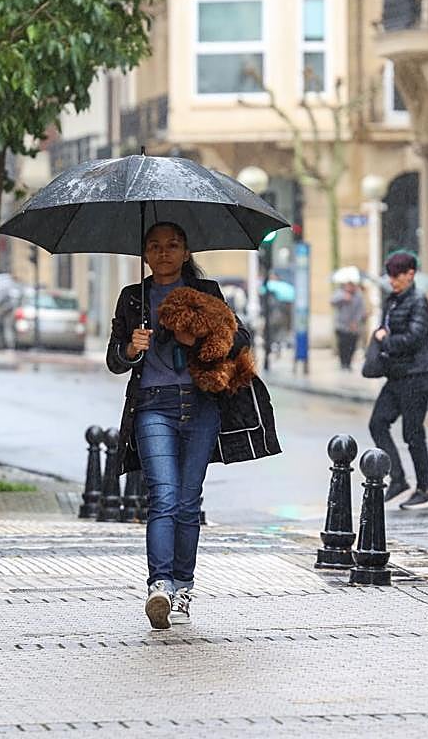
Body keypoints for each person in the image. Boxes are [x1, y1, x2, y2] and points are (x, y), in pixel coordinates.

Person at [107, 222, 279, 630]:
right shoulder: (134, 298)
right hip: (152, 407)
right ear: (145, 254)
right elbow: (114, 360)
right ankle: (159, 586)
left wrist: (196, 338)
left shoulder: (208, 293)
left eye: (173, 245)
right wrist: (132, 348)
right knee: (162, 497)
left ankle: (183, 585)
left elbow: (240, 339)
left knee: (187, 502)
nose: (164, 252)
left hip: (201, 405)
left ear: (186, 252)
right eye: (154, 246)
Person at [369, 250, 428, 510]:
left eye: (397, 276)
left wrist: (385, 340)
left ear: (411, 274)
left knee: (413, 433)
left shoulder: (419, 301)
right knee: (377, 423)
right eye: (390, 276)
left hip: (416, 375)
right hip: (396, 375)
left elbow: (415, 338)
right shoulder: (393, 300)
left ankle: (425, 488)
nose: (393, 281)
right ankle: (397, 479)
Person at [331, 280, 367, 370]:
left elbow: (360, 310)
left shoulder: (358, 296)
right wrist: (343, 297)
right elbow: (332, 301)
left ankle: (348, 363)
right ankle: (343, 363)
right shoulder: (340, 293)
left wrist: (356, 322)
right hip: (341, 325)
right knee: (342, 345)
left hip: (354, 326)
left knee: (352, 345)